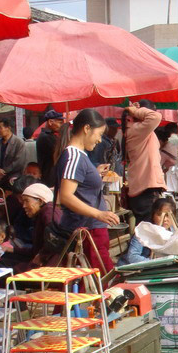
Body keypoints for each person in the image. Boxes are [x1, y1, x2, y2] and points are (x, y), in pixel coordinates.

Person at [54, 109, 119, 273]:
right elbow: (66, 196)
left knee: (97, 279)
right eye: (99, 134)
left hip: (91, 228)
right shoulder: (73, 155)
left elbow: (78, 187)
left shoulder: (79, 156)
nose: (99, 140)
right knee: (102, 279)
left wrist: (94, 174)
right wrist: (99, 214)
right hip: (86, 230)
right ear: (86, 129)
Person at [124, 100, 166, 225]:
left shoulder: (138, 130)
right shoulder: (137, 129)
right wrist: (136, 111)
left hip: (144, 187)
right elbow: (155, 117)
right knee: (146, 232)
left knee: (146, 231)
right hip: (145, 188)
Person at [117, 196, 177, 266]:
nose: (165, 219)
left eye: (168, 215)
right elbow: (132, 256)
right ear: (153, 215)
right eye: (159, 214)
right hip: (136, 268)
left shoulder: (176, 231)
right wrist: (156, 263)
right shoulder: (143, 231)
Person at [15, 182, 62, 270]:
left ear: (40, 201)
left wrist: (42, 256)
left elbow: (56, 237)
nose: (24, 206)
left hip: (52, 267)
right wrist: (11, 249)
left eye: (27, 201)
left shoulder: (48, 210)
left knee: (12, 270)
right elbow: (35, 250)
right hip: (46, 262)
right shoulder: (41, 214)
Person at [0, 119, 26, 190]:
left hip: (13, 178)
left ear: (8, 128)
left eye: (0, 128)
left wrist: (4, 172)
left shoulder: (19, 142)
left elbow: (19, 162)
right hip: (0, 179)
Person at [35, 109, 64, 187]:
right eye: (60, 122)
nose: (61, 125)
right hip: (50, 177)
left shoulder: (50, 136)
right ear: (50, 122)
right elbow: (60, 153)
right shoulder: (46, 137)